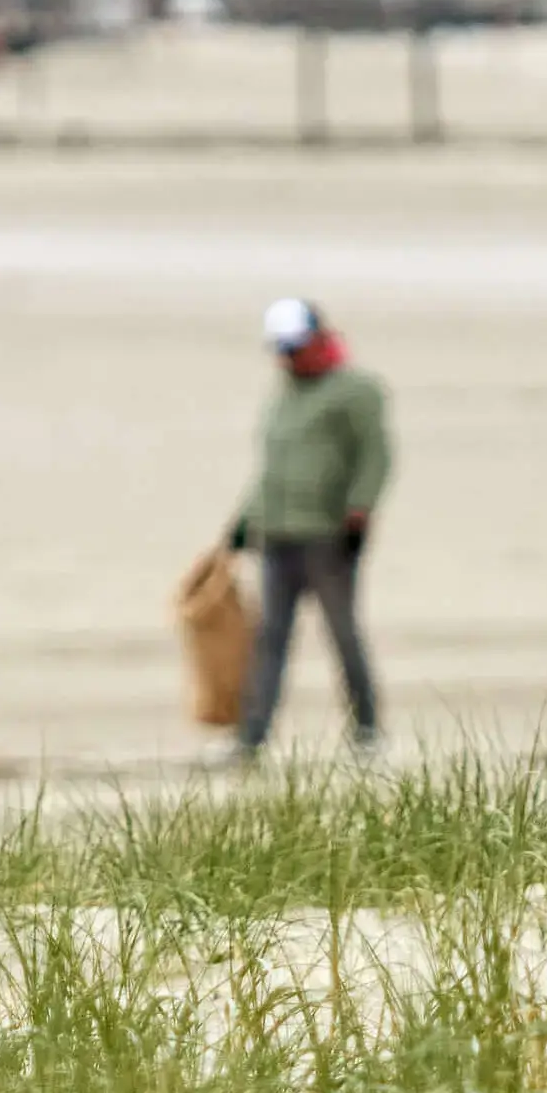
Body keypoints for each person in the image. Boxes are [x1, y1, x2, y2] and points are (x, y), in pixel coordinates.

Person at [225, 296, 393, 757]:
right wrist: (244, 521)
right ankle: (251, 737)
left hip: (327, 536)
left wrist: (359, 511)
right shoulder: (284, 397)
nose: (289, 358)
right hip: (277, 533)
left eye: (296, 348)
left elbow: (375, 456)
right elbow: (272, 469)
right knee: (269, 640)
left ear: (319, 339)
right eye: (283, 350)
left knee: (342, 634)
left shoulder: (356, 391)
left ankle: (367, 731)